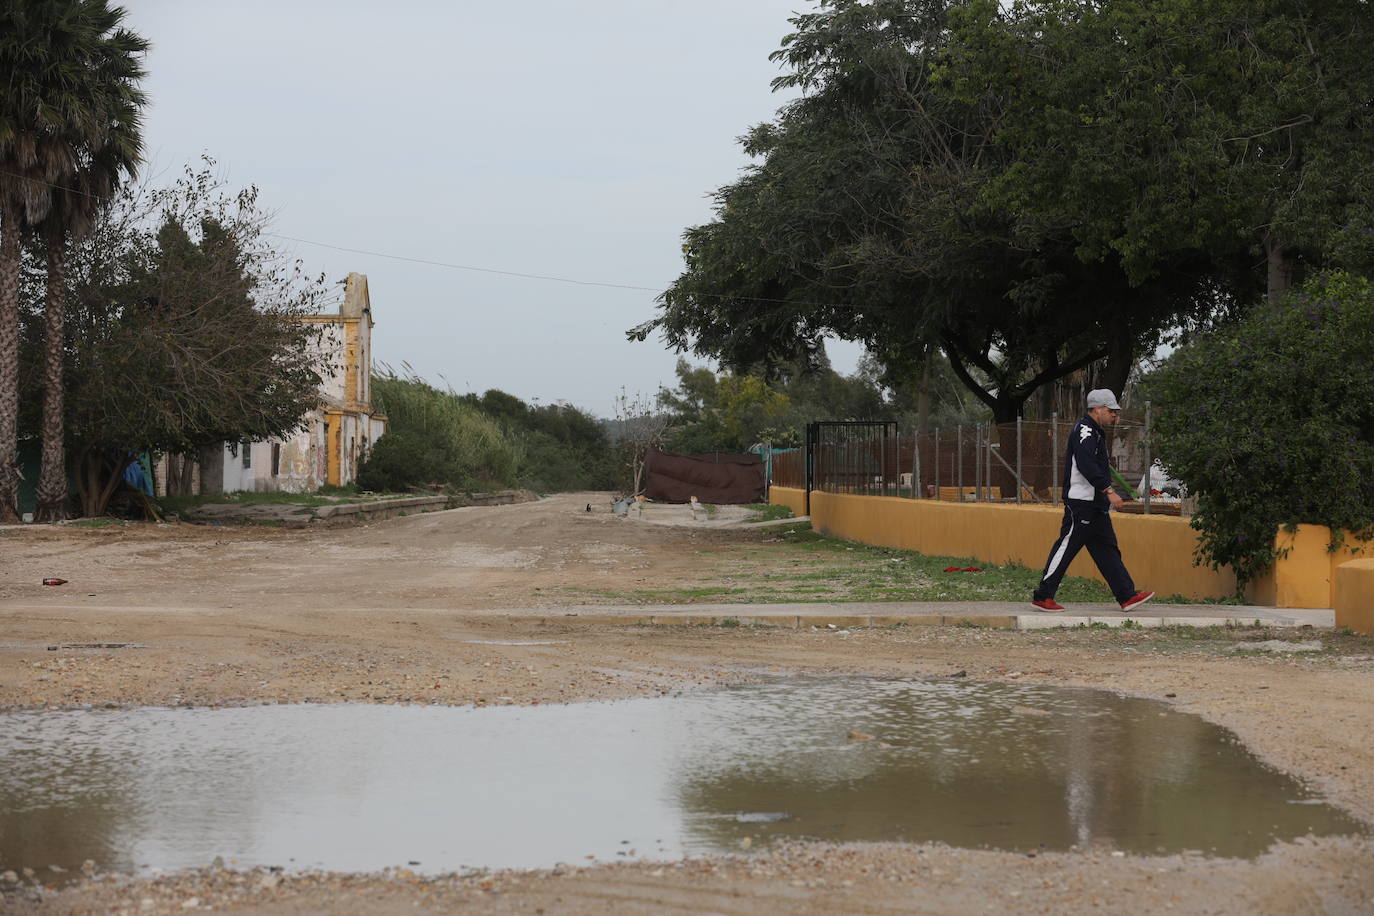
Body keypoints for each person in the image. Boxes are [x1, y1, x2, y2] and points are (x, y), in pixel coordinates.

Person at [1031, 389, 1154, 613]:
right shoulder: (1085, 431)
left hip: (1095, 503)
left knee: (1107, 549)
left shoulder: (1096, 432)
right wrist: (1109, 490)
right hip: (1082, 503)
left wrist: (1103, 495)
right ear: (1097, 409)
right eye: (1111, 411)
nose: (1115, 415)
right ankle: (1043, 596)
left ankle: (1126, 595)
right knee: (1067, 546)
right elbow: (1086, 465)